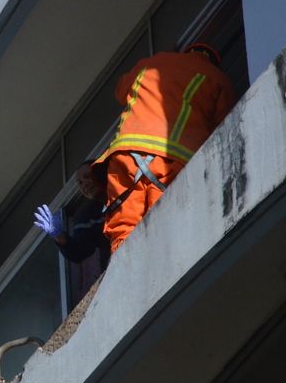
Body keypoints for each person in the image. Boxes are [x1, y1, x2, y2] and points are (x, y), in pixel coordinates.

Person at [91, 43, 237, 253]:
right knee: (163, 220)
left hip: (126, 152)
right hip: (172, 155)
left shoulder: (150, 64)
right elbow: (222, 131)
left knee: (124, 219)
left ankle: (123, 264)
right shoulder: (218, 80)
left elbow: (120, 91)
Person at [34, 161, 110, 270]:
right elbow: (79, 252)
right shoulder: (90, 217)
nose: (85, 184)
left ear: (102, 172)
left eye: (87, 177)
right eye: (80, 183)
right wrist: (58, 235)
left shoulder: (131, 192)